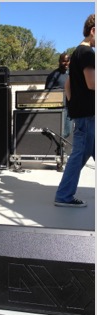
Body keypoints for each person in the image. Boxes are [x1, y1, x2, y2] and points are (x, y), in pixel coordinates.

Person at [54, 14, 95, 207]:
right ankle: (63, 196)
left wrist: (74, 107)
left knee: (79, 155)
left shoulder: (77, 53)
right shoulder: (87, 54)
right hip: (89, 115)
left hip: (83, 114)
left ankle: (64, 195)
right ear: (93, 31)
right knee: (78, 155)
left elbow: (68, 86)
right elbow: (92, 83)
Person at [45, 52, 72, 139]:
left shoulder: (72, 74)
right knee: (59, 129)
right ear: (59, 61)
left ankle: (60, 143)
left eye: (68, 61)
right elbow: (47, 92)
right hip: (59, 107)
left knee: (68, 131)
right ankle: (59, 148)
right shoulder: (53, 75)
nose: (66, 63)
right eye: (64, 61)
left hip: (70, 107)